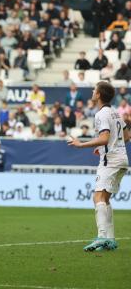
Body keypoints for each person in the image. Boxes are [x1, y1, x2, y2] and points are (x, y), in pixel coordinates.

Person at [68, 81, 129, 252]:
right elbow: (127, 136)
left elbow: (104, 138)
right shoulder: (117, 113)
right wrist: (105, 146)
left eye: (94, 90)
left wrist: (81, 144)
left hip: (110, 161)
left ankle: (101, 236)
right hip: (121, 159)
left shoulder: (101, 114)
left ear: (99, 95)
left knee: (97, 197)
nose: (92, 92)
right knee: (105, 198)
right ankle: (109, 239)